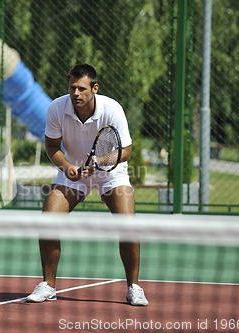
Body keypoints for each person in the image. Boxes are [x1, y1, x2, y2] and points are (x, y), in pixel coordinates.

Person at [25, 64, 148, 306]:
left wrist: (101, 163)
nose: (76, 93)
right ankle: (48, 286)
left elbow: (126, 151)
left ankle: (134, 287)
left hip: (111, 172)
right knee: (48, 219)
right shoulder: (56, 108)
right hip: (74, 171)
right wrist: (67, 166)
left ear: (95, 88)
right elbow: (52, 147)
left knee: (128, 224)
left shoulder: (112, 109)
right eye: (72, 88)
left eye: (82, 88)